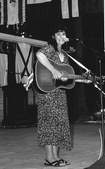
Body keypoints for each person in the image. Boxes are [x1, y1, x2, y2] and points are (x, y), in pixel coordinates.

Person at [36, 23, 72, 167]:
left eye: (63, 34)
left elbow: (64, 74)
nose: (60, 37)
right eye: (57, 34)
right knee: (50, 124)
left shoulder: (66, 55)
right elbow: (39, 55)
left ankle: (56, 156)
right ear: (53, 37)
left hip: (60, 93)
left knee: (59, 124)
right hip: (48, 93)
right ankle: (49, 158)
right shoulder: (49, 48)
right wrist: (53, 71)